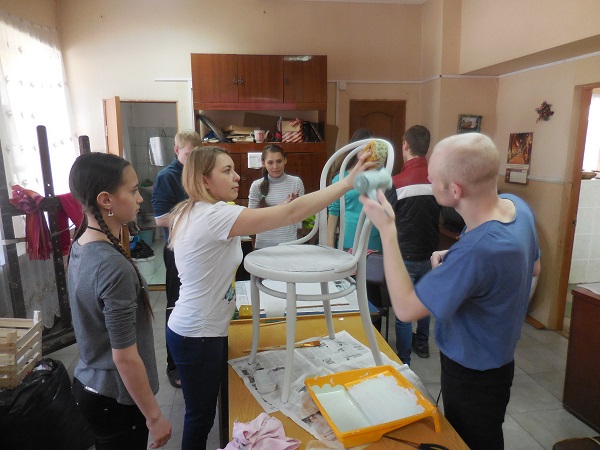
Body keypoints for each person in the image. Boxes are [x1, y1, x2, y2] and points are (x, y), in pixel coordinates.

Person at [165, 145, 373, 450]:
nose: (237, 176)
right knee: (200, 418)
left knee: (202, 414)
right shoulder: (215, 216)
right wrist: (346, 182)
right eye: (226, 171)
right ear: (204, 180)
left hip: (198, 331)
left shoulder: (193, 210)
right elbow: (292, 213)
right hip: (197, 335)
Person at [359, 133, 541, 450]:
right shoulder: (517, 208)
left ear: (455, 191)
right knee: (487, 430)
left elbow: (405, 309)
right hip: (500, 363)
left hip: (471, 374)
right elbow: (533, 267)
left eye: (432, 179)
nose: (428, 182)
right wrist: (458, 261)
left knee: (471, 440)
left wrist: (387, 230)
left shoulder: (477, 252)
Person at [67, 152, 172, 449]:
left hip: (90, 383)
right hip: (114, 397)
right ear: (106, 200)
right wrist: (154, 416)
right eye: (133, 190)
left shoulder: (81, 244)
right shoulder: (112, 266)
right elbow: (124, 356)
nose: (139, 199)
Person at [151, 129, 201, 388]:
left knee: (196, 304)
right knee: (175, 306)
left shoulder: (198, 174)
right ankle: (174, 365)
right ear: (176, 151)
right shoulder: (167, 177)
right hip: (176, 251)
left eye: (196, 155)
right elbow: (161, 219)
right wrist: (198, 217)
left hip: (198, 250)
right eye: (188, 155)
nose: (192, 160)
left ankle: (195, 355)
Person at [385, 125, 439, 365]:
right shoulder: (437, 180)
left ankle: (404, 359)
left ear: (405, 145)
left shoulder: (396, 182)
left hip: (404, 254)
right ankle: (422, 344)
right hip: (430, 254)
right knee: (424, 302)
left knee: (403, 311)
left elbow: (386, 218)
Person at [327, 128, 382, 251]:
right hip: (348, 242)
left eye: (372, 148)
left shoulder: (381, 175)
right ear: (355, 149)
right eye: (366, 147)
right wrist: (329, 246)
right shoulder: (341, 178)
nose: (369, 152)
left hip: (375, 243)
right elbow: (333, 212)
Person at [248, 144, 305, 248]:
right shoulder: (256, 186)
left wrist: (296, 205)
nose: (275, 167)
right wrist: (282, 206)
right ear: (263, 163)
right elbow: (251, 218)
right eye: (270, 162)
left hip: (289, 243)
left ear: (285, 160)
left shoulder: (296, 182)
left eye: (279, 161)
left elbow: (301, 216)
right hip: (263, 245)